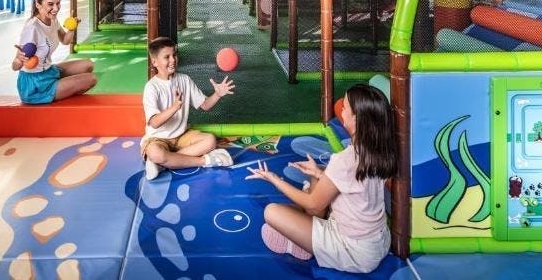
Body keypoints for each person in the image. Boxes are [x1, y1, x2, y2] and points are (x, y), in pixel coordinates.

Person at [246, 84, 397, 274]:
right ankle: (303, 232)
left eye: (345, 107)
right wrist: (318, 173)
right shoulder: (378, 151)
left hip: (353, 251)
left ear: (356, 119)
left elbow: (313, 205)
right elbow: (354, 184)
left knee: (272, 212)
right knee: (317, 177)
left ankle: (300, 244)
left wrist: (275, 180)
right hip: (378, 242)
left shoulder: (345, 160)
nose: (341, 109)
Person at [142, 36, 236, 180]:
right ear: (155, 62)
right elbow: (154, 122)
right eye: (167, 57)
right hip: (158, 139)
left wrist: (217, 94)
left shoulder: (184, 79)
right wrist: (174, 107)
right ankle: (204, 161)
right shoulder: (151, 87)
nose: (173, 60)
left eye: (174, 55)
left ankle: (163, 163)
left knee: (210, 140)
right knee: (156, 153)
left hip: (182, 136)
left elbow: (205, 105)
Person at [12, 0, 96, 104]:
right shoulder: (32, 28)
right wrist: (19, 59)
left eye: (58, 3)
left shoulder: (53, 19)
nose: (56, 8)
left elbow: (65, 40)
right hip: (35, 85)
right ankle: (54, 94)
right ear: (38, 5)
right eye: (50, 4)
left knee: (88, 65)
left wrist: (72, 28)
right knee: (91, 79)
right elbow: (15, 66)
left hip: (48, 71)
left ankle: (62, 88)